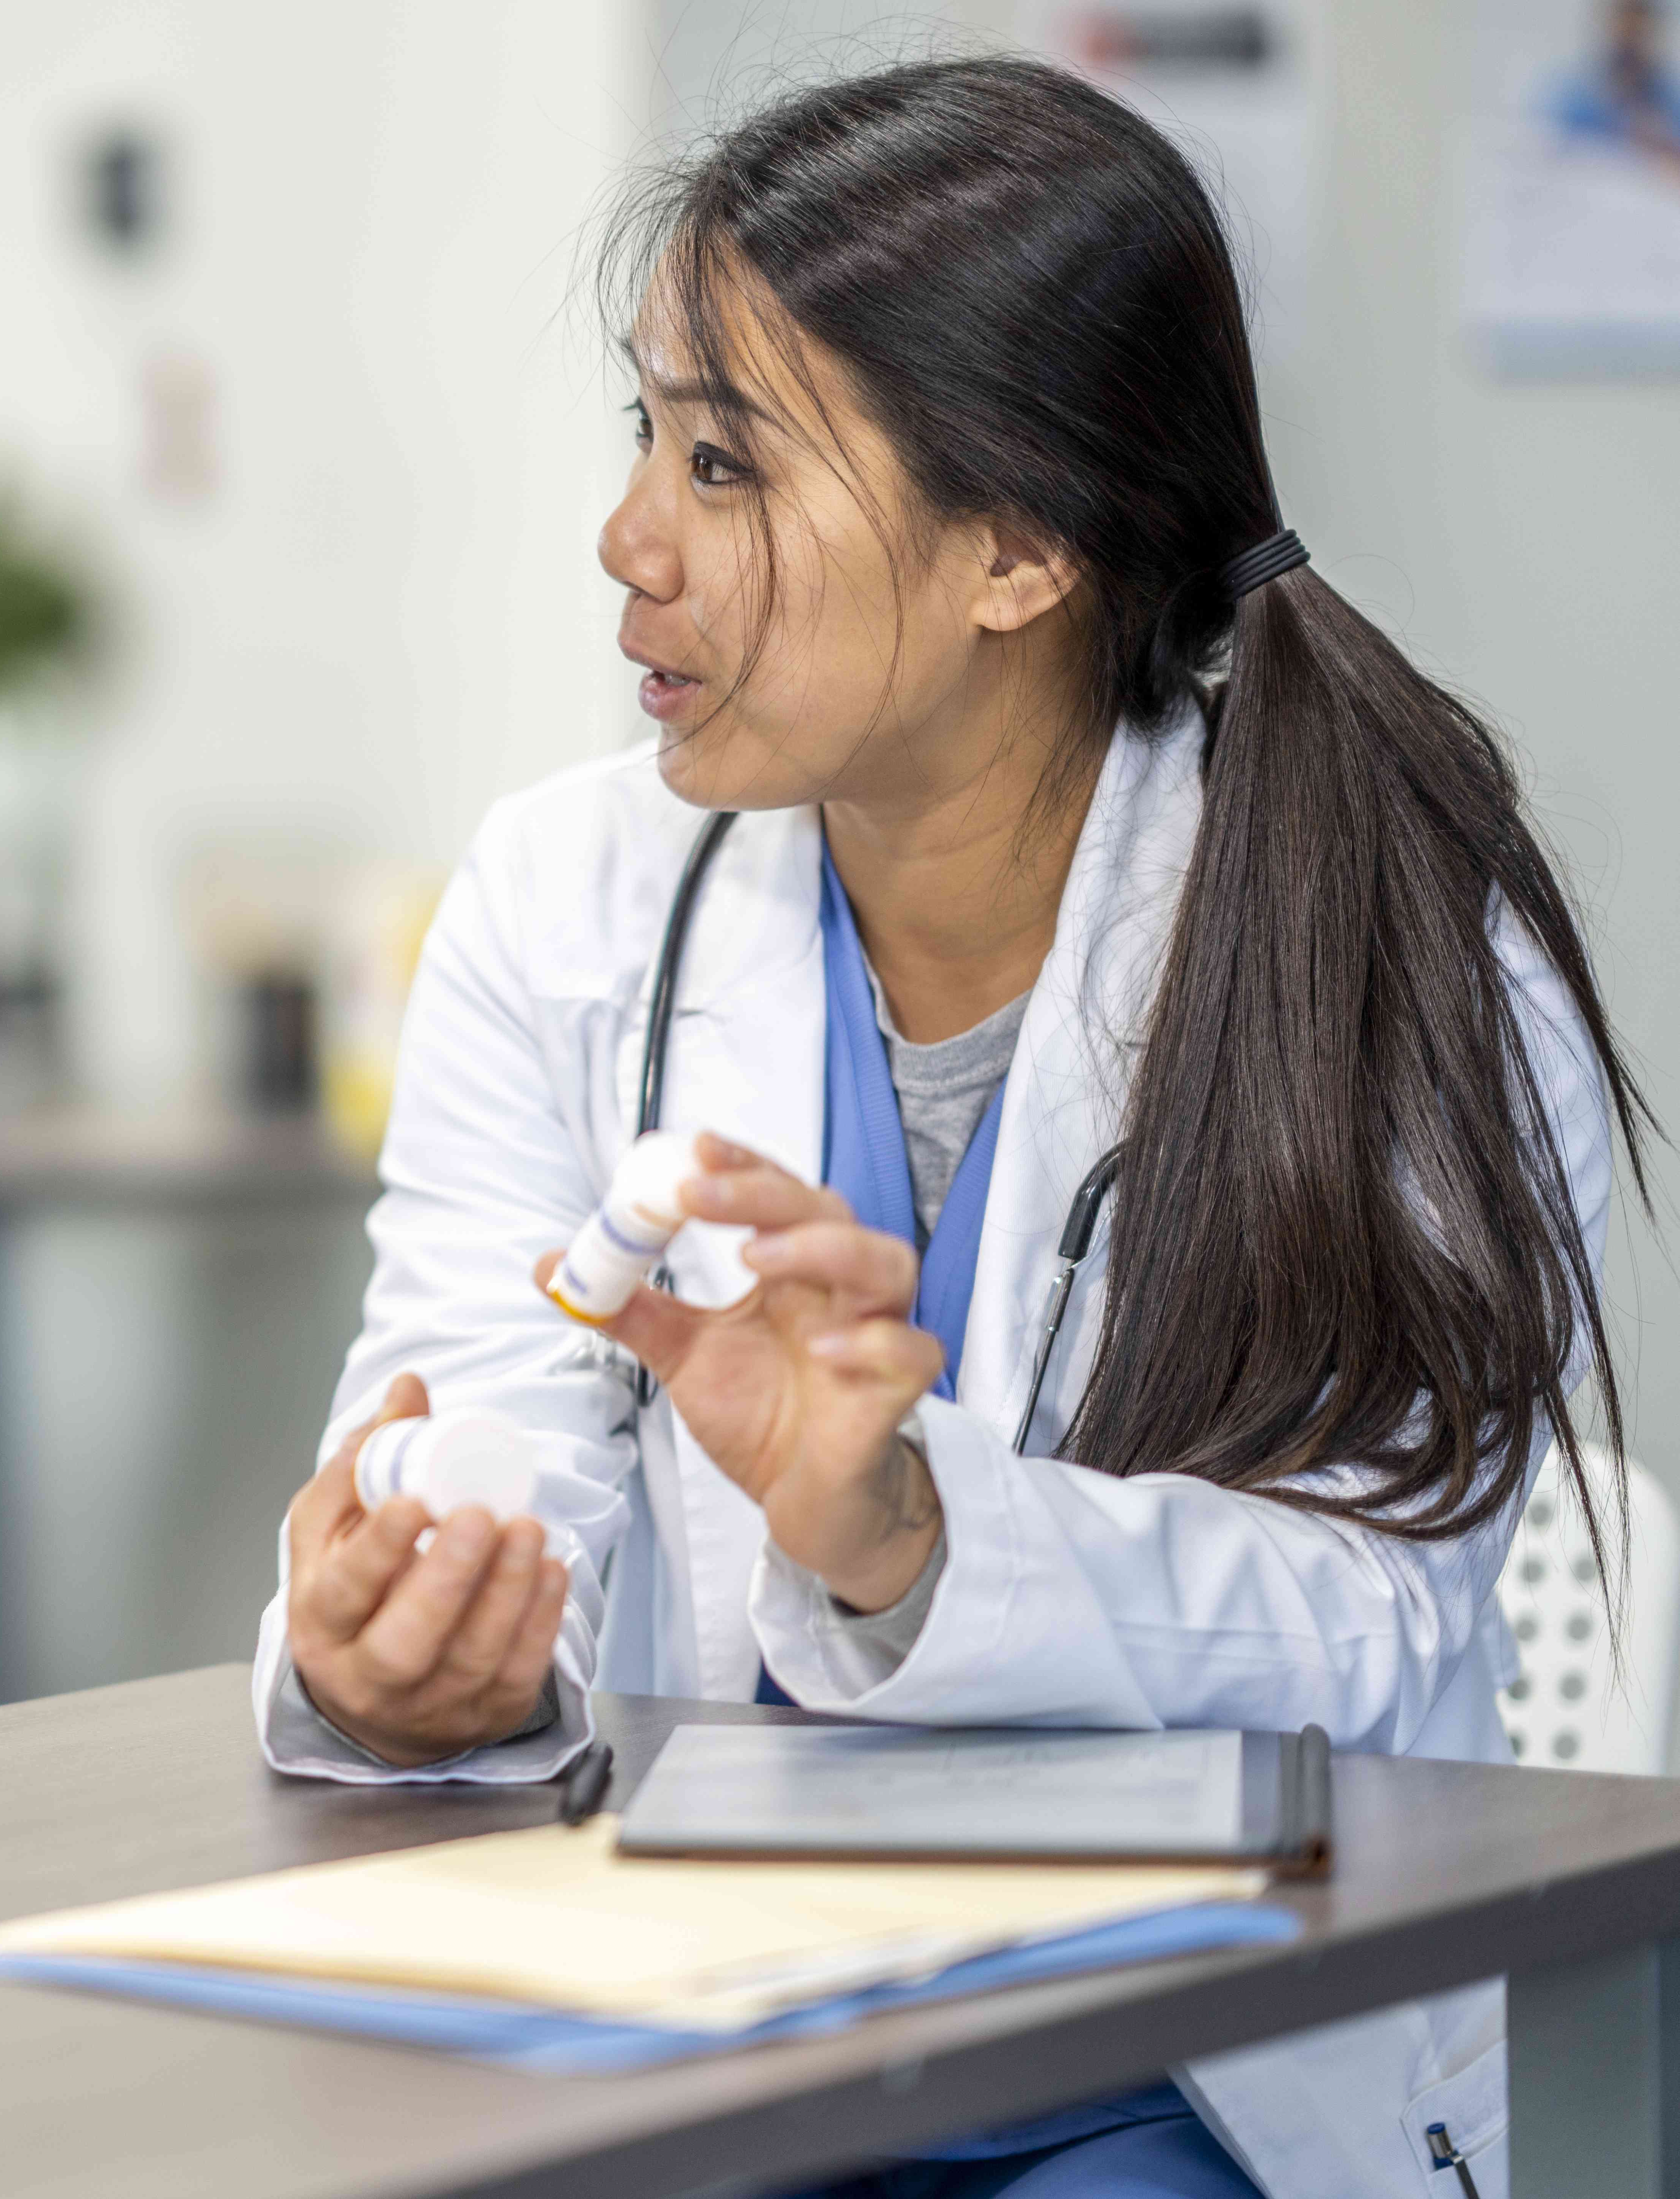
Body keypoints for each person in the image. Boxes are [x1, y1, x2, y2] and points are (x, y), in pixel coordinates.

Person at [251, 56, 1642, 2199]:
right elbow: (477, 1413)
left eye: (725, 464)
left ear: (1015, 552)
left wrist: (912, 1535)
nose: (628, 540)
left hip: (1179, 2075)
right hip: (694, 2044)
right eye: (646, 436)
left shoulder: (1391, 947)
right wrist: (418, 1647)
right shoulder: (561, 903)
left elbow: (1376, 1608)